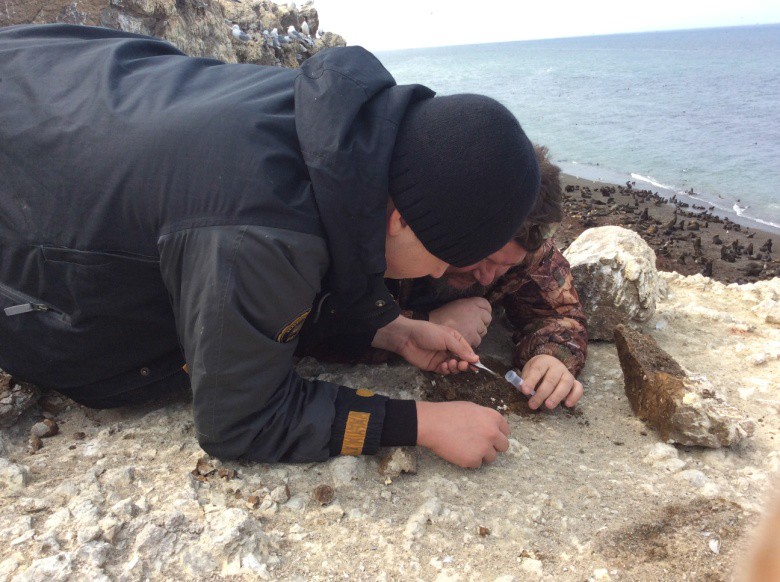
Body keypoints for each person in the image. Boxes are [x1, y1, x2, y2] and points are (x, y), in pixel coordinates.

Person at [0, 24, 541, 468]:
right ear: (401, 220)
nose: (441, 274)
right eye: (444, 258)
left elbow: (308, 261)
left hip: (43, 74)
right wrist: (422, 423)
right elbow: (242, 420)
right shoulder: (258, 231)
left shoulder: (333, 125)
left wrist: (387, 328)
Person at [298, 146, 588, 411]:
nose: (486, 278)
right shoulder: (382, 232)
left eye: (505, 266)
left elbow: (561, 314)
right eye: (482, 256)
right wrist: (420, 322)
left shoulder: (527, 244)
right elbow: (305, 319)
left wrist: (551, 357)